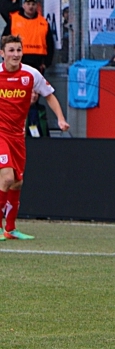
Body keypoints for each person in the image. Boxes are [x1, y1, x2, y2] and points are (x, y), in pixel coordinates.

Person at [0, 35, 70, 240]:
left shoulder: (31, 74)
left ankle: (10, 229)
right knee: (6, 178)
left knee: (17, 183)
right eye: (11, 50)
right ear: (2, 53)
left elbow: (49, 95)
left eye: (18, 50)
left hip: (17, 135)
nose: (15, 54)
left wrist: (60, 119)